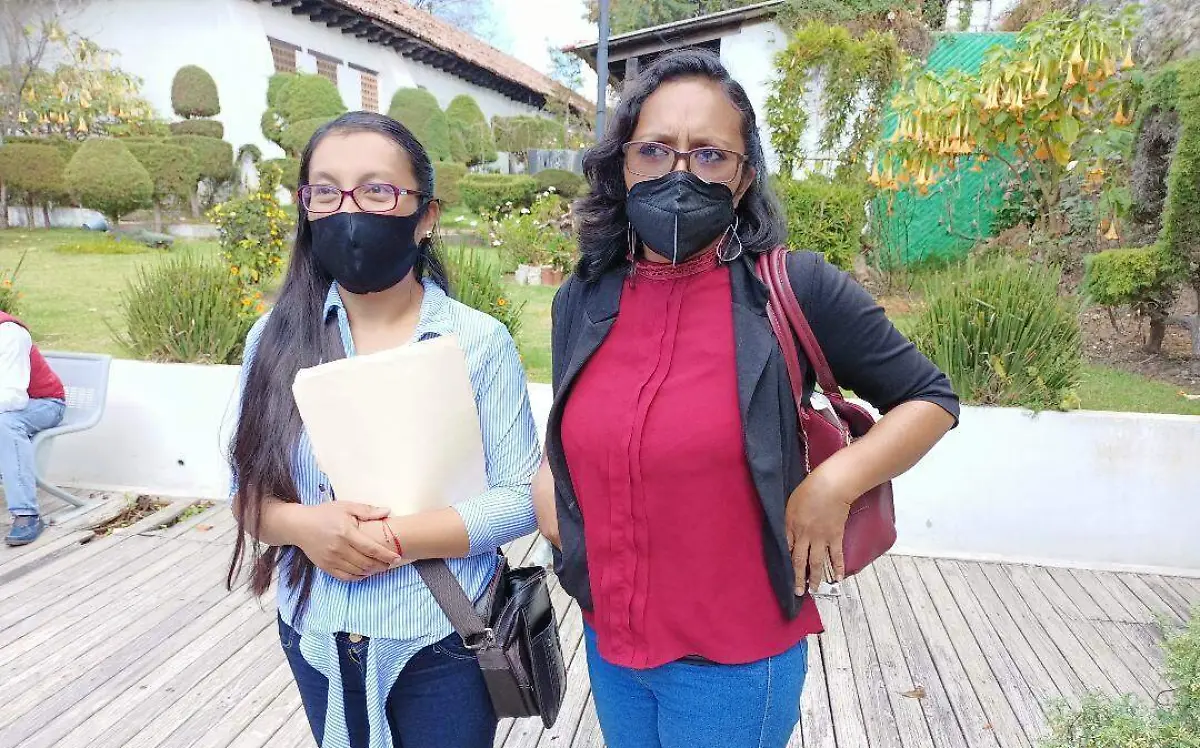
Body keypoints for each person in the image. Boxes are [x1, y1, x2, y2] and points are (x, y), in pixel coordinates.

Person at [533, 49, 961, 748]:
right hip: (611, 640)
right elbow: (571, 423)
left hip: (732, 663)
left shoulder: (794, 287)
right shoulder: (583, 296)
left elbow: (931, 400)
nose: (679, 173)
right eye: (654, 150)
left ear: (742, 179)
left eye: (710, 155)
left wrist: (834, 484)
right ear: (623, 166)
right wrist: (550, 475)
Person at [228, 111, 540, 748]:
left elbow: (518, 499)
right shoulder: (274, 339)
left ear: (425, 216)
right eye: (326, 191)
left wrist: (382, 540)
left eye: (376, 190)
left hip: (444, 637)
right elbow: (245, 494)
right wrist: (304, 527)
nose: (349, 211)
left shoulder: (478, 342)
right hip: (315, 630)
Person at [0, 311, 65, 546]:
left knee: (5, 423)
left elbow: (13, 398)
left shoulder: (9, 333)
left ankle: (27, 514)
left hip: (44, 402)